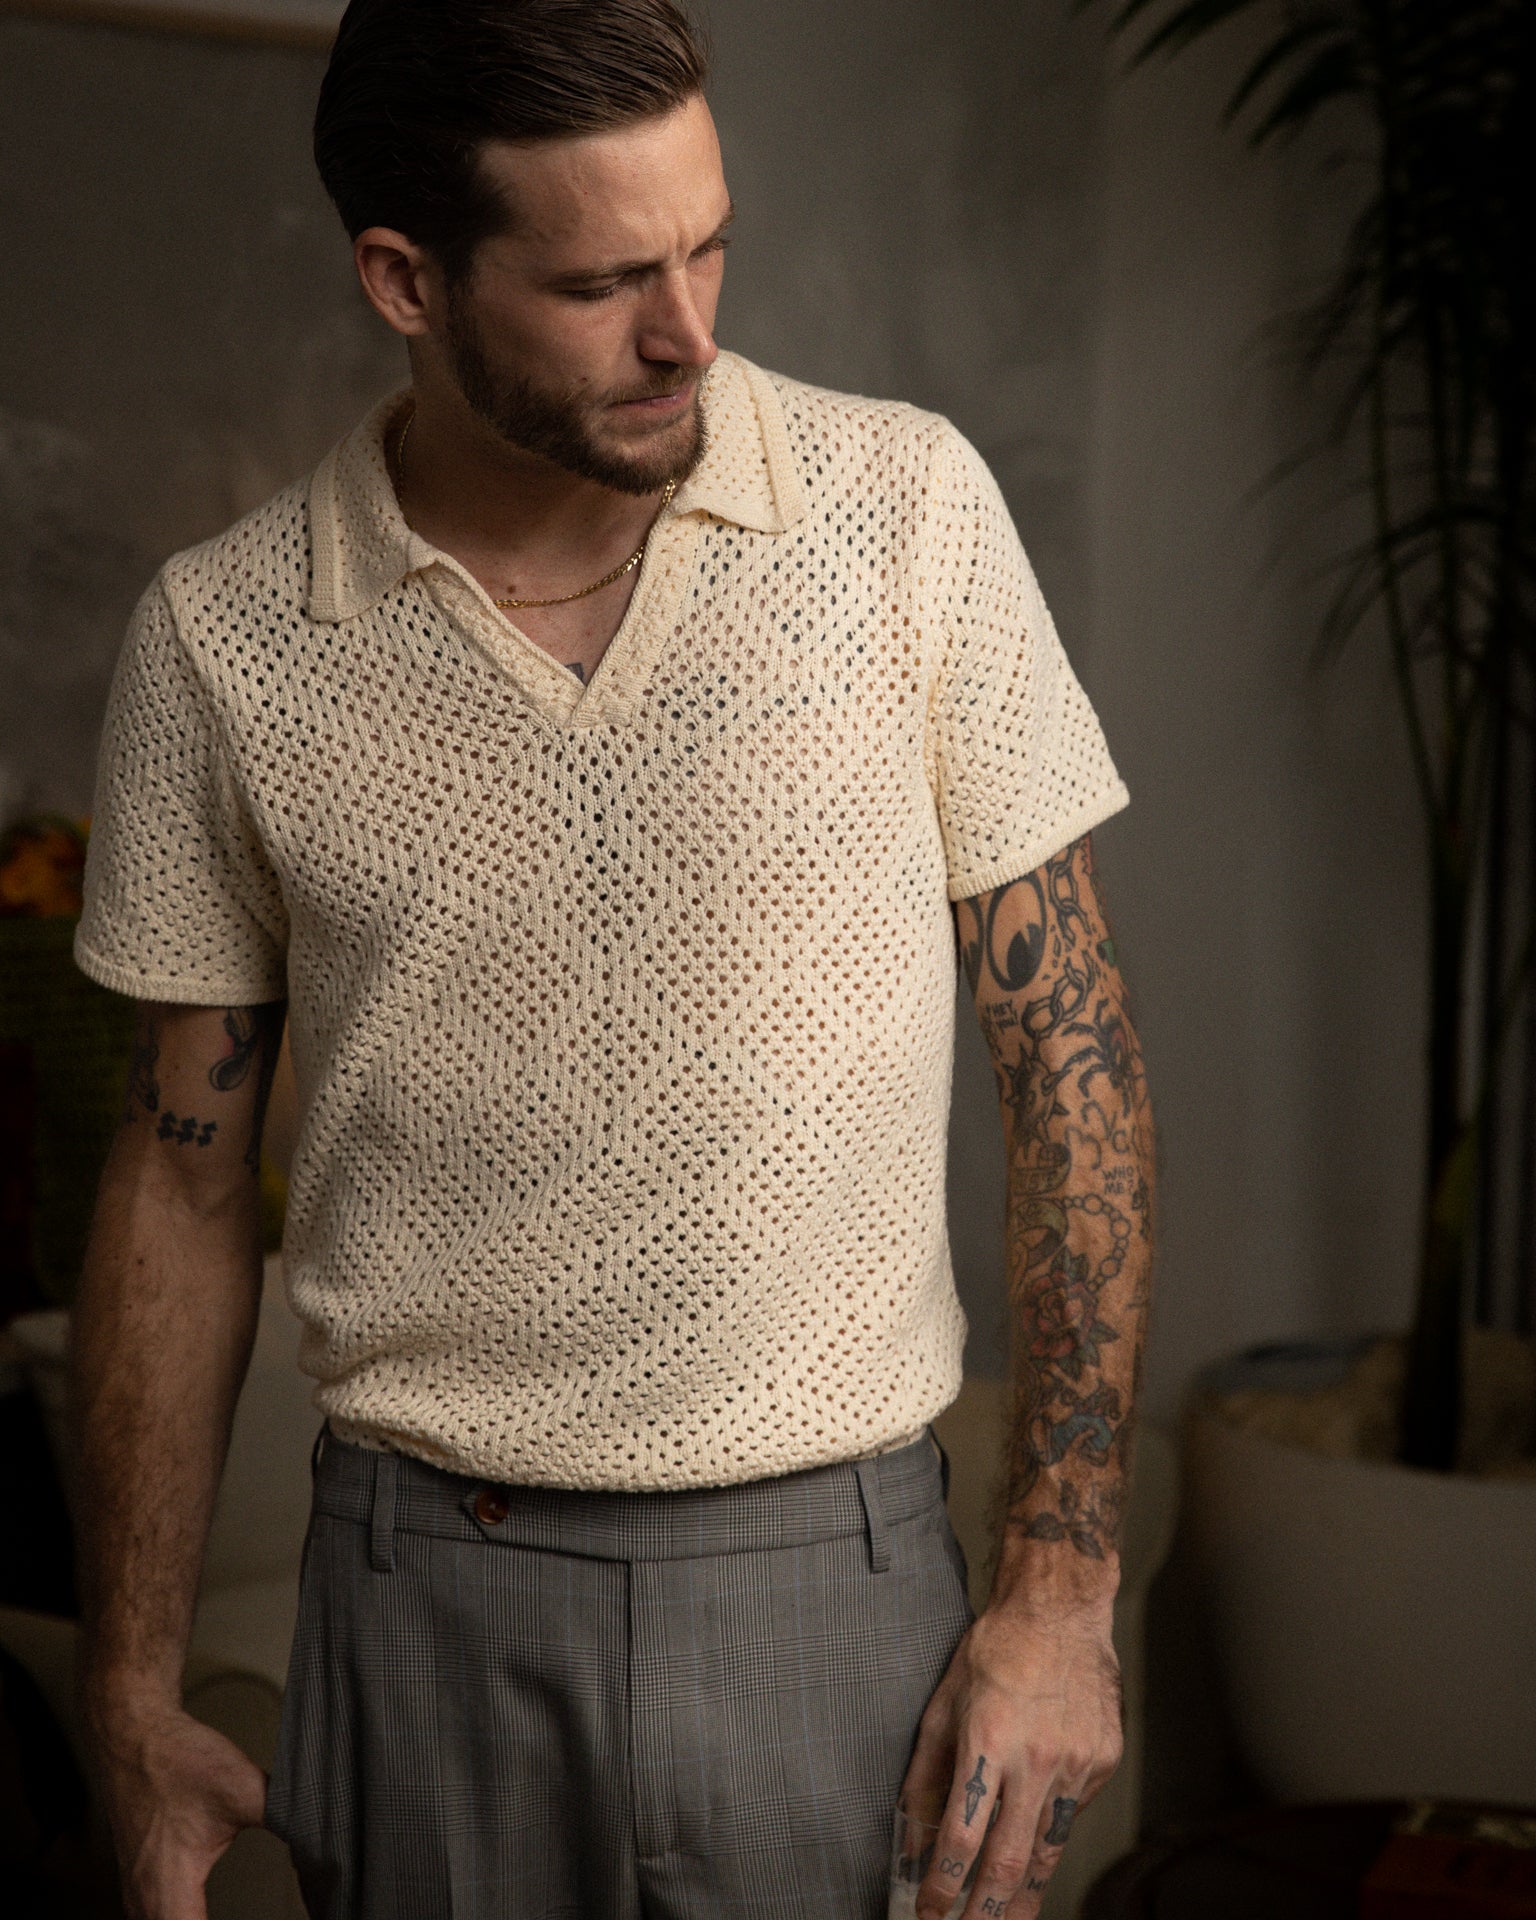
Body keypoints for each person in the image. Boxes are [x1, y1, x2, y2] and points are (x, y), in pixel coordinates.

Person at [68, 2, 1155, 1917]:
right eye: (601, 285)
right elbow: (177, 1181)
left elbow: (1071, 1065)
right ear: (407, 281)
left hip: (838, 1591)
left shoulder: (905, 511)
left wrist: (1061, 1594)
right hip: (421, 1603)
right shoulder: (223, 639)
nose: (687, 332)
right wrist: (130, 1689)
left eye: (707, 248)